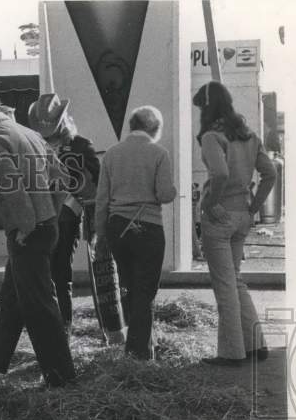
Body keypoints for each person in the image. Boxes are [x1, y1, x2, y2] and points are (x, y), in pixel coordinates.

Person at [0, 97, 76, 388]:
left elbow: (11, 187)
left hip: (28, 232)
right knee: (11, 302)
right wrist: (50, 215)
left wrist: (26, 226)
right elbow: (62, 178)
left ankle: (61, 377)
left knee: (38, 306)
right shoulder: (26, 132)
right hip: (46, 226)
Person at [192, 81, 276, 366]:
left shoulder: (211, 137)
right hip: (242, 213)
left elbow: (219, 173)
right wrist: (254, 206)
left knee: (224, 286)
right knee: (237, 281)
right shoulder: (249, 135)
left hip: (220, 216)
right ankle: (256, 345)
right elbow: (270, 174)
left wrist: (209, 203)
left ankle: (231, 353)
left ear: (206, 107)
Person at [94, 105, 176, 361]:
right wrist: (172, 191)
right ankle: (138, 354)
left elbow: (101, 200)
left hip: (117, 227)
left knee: (129, 288)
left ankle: (140, 343)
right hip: (148, 228)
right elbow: (164, 195)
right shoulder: (159, 153)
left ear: (131, 126)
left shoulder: (111, 155)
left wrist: (100, 234)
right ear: (155, 128)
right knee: (145, 291)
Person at [28, 93, 100, 334]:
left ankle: (64, 326)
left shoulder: (80, 145)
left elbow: (98, 183)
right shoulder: (34, 144)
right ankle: (49, 325)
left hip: (67, 216)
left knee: (60, 273)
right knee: (42, 275)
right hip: (39, 216)